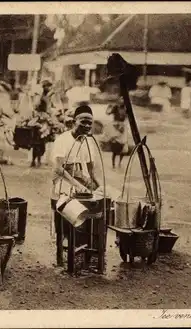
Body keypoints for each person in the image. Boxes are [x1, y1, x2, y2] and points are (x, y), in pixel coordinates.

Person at [50, 104, 103, 266]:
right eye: (83, 122)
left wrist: (100, 187)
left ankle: (90, 249)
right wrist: (77, 186)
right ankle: (66, 252)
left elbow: (91, 171)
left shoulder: (88, 142)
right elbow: (59, 169)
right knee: (72, 209)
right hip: (64, 182)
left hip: (81, 180)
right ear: (74, 121)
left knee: (99, 204)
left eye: (90, 122)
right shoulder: (63, 140)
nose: (87, 125)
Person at [105, 100, 129, 169]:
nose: (122, 102)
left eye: (123, 101)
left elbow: (127, 117)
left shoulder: (126, 108)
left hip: (122, 126)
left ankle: (119, 163)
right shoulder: (116, 107)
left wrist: (124, 125)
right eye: (121, 101)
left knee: (123, 146)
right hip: (115, 126)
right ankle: (113, 164)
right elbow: (108, 113)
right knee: (115, 147)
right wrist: (109, 107)